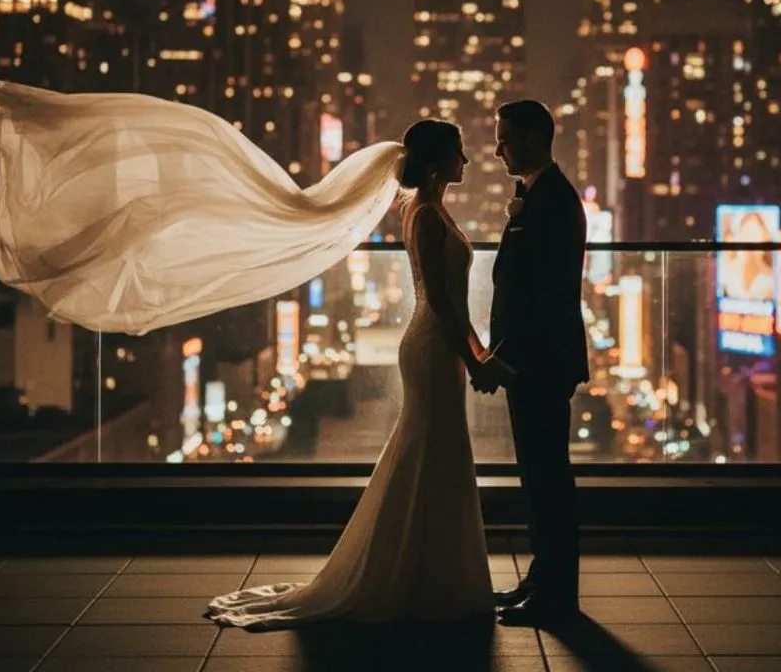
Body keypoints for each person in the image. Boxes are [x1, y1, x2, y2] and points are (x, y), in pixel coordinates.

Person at [206, 119, 497, 626]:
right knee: (432, 449)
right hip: (431, 347)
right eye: (458, 152)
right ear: (436, 162)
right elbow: (444, 303)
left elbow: (454, 307)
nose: (466, 162)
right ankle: (422, 574)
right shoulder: (426, 216)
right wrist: (474, 358)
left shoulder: (428, 210)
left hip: (438, 344)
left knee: (433, 451)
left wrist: (477, 351)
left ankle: (423, 571)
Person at [474, 100, 590, 627]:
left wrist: (508, 359)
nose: (497, 148)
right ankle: (543, 579)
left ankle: (557, 594)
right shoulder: (538, 196)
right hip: (532, 362)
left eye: (504, 138)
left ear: (532, 139)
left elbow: (544, 295)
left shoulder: (555, 201)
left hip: (540, 363)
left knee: (549, 480)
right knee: (539, 478)